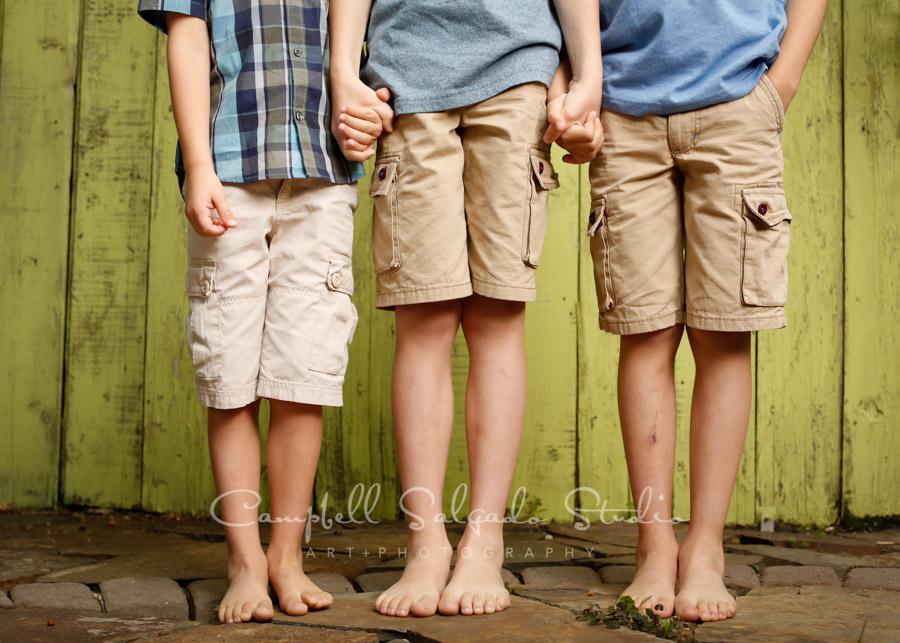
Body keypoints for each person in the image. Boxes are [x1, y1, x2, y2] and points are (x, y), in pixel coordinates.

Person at [547, 0, 829, 623]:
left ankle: (704, 548)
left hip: (737, 105)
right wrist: (574, 86)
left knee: (723, 334)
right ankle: (654, 547)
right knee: (644, 333)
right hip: (623, 108)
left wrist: (781, 84)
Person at [329, 0, 602, 618]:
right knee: (423, 320)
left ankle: (485, 540)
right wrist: (345, 69)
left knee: (497, 315)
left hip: (519, 76)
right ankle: (425, 543)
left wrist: (587, 78)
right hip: (405, 81)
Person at [137, 0, 385, 624]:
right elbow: (189, 44)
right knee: (230, 373)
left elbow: (363, 38)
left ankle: (285, 554)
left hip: (323, 172)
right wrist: (197, 166)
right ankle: (244, 560)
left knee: (303, 372)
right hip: (229, 170)